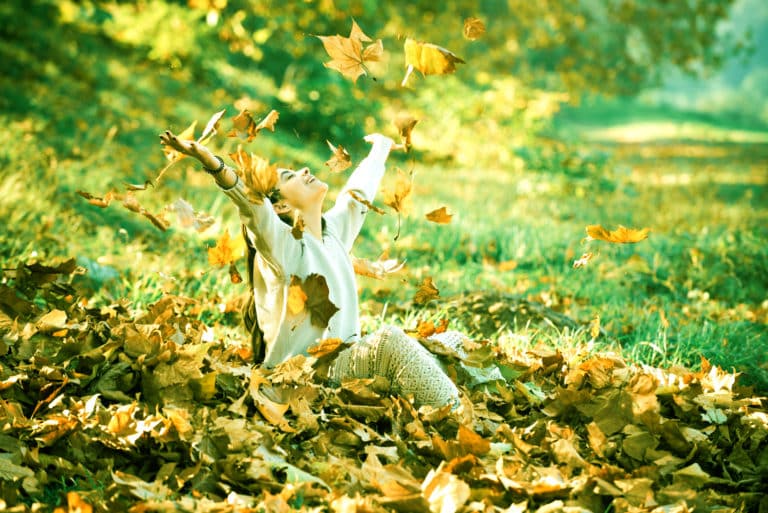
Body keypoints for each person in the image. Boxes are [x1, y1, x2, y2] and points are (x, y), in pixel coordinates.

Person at [159, 128, 461, 409]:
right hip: (305, 379)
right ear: (279, 207)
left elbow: (357, 197)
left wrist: (381, 148)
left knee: (452, 343)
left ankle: (492, 407)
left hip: (345, 365)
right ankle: (459, 416)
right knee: (391, 341)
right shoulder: (282, 247)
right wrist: (209, 160)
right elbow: (251, 205)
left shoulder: (333, 235)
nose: (305, 171)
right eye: (290, 176)